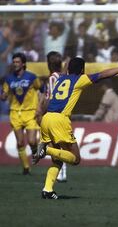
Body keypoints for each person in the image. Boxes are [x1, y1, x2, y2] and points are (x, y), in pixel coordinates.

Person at [33, 57, 118, 199]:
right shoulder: (80, 79)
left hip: (47, 118)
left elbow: (67, 72)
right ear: (82, 70)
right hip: (59, 120)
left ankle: (47, 189)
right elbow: (103, 74)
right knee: (75, 158)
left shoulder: (60, 79)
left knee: (57, 159)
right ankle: (46, 150)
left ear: (68, 69)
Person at [0, 52, 42, 175]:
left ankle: (35, 152)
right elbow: (4, 95)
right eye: (14, 62)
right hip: (15, 113)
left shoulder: (32, 77)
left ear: (23, 64)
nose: (15, 64)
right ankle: (26, 167)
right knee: (19, 142)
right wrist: (3, 96)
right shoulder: (8, 78)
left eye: (18, 62)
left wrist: (40, 106)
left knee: (32, 141)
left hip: (30, 113)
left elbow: (41, 89)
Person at [36, 51, 68, 182]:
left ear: (49, 64)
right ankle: (62, 170)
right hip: (63, 113)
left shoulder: (52, 78)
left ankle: (61, 170)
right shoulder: (64, 76)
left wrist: (41, 111)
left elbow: (50, 97)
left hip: (53, 113)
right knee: (59, 143)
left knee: (53, 144)